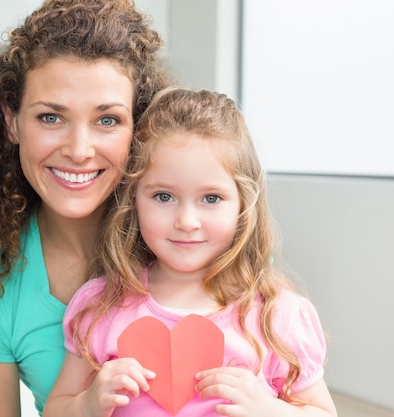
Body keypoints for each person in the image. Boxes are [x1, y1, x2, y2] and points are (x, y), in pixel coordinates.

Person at [0, 0, 171, 415]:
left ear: (139, 128)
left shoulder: (195, 240)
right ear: (11, 120)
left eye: (107, 120)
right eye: (51, 118)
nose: (78, 150)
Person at [44, 87, 338, 417]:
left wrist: (269, 409)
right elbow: (56, 409)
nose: (186, 221)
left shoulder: (276, 314)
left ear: (243, 204)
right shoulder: (101, 306)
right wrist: (87, 403)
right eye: (164, 197)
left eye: (211, 198)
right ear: (134, 199)